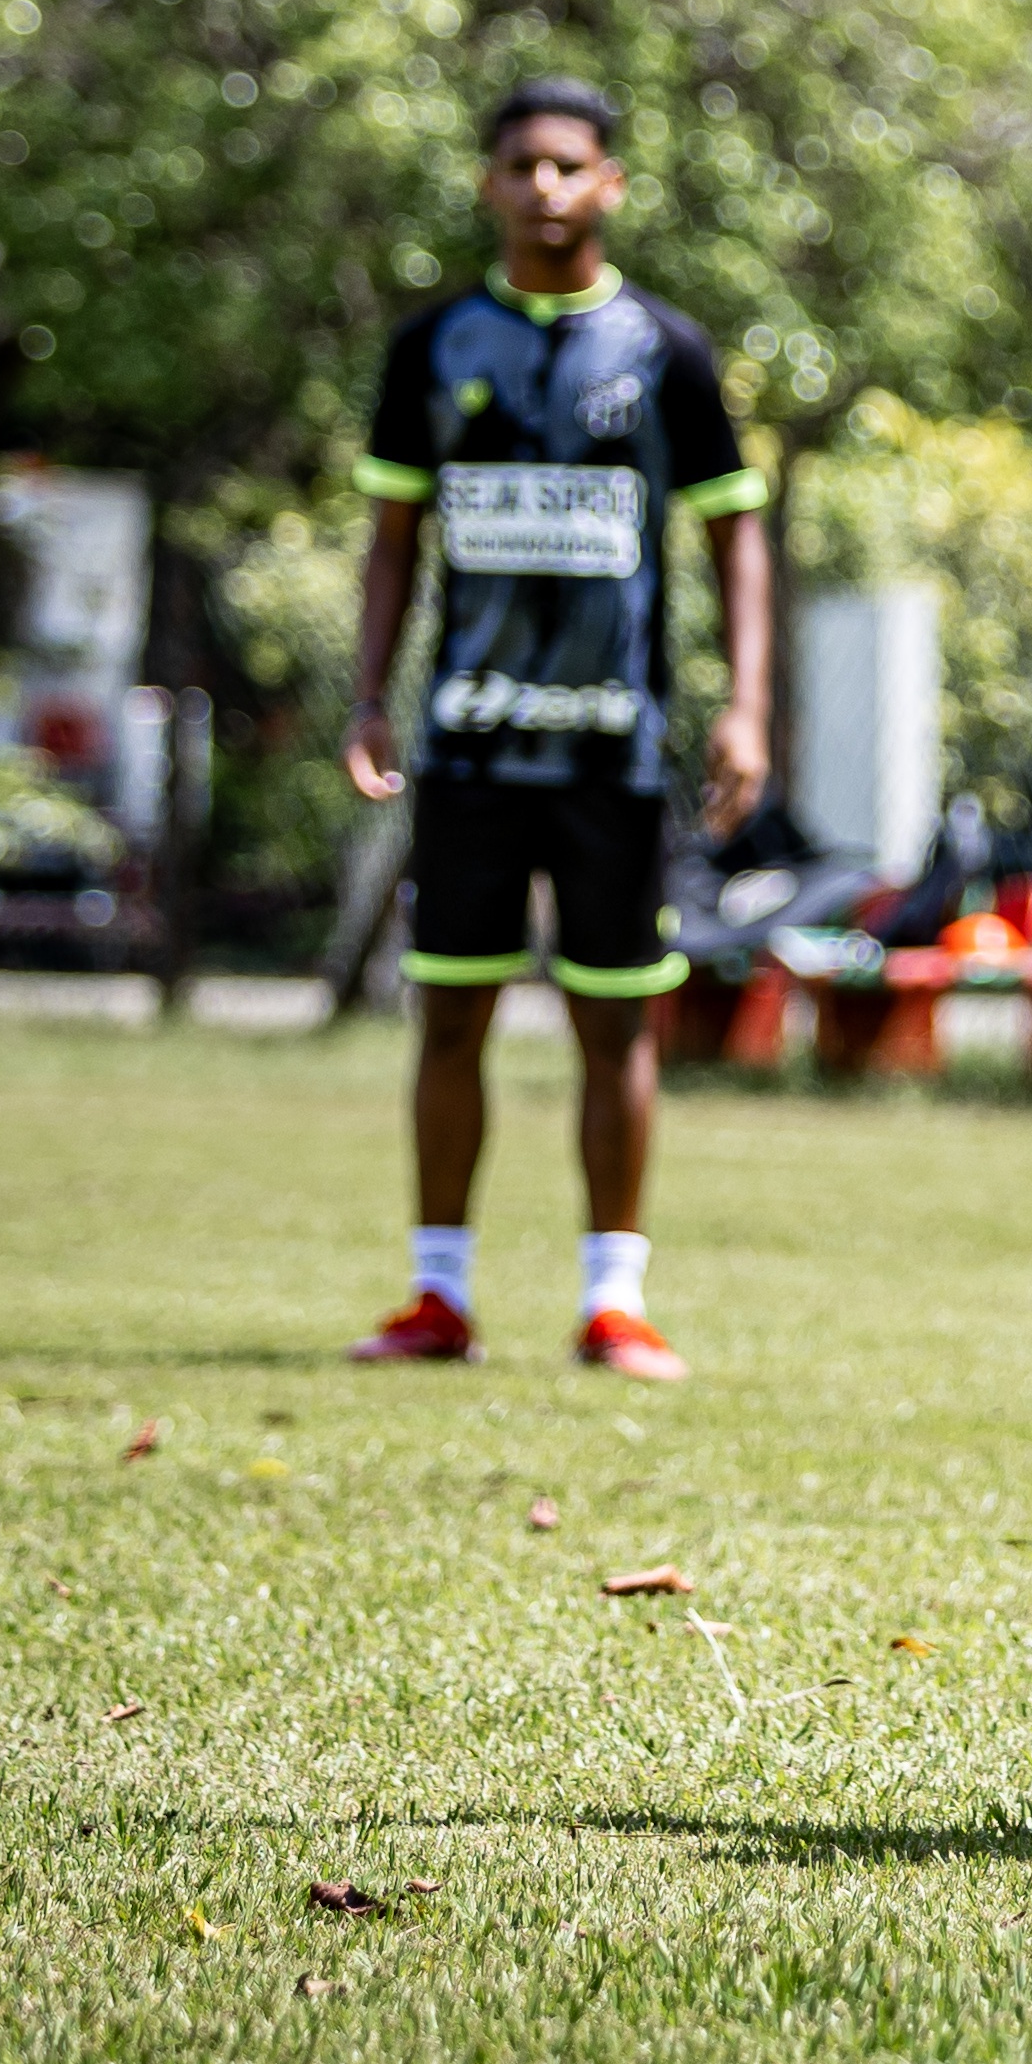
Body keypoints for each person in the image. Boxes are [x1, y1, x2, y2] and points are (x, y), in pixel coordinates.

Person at [339, 76, 772, 1380]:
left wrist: (746, 704)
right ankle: (437, 1296)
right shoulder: (432, 350)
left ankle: (614, 1301)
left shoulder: (664, 350)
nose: (544, 187)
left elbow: (733, 529)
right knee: (451, 1020)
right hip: (469, 748)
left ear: (610, 185)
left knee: (614, 1027)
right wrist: (368, 696)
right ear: (488, 183)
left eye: (568, 166)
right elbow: (393, 538)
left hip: (614, 755)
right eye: (521, 165)